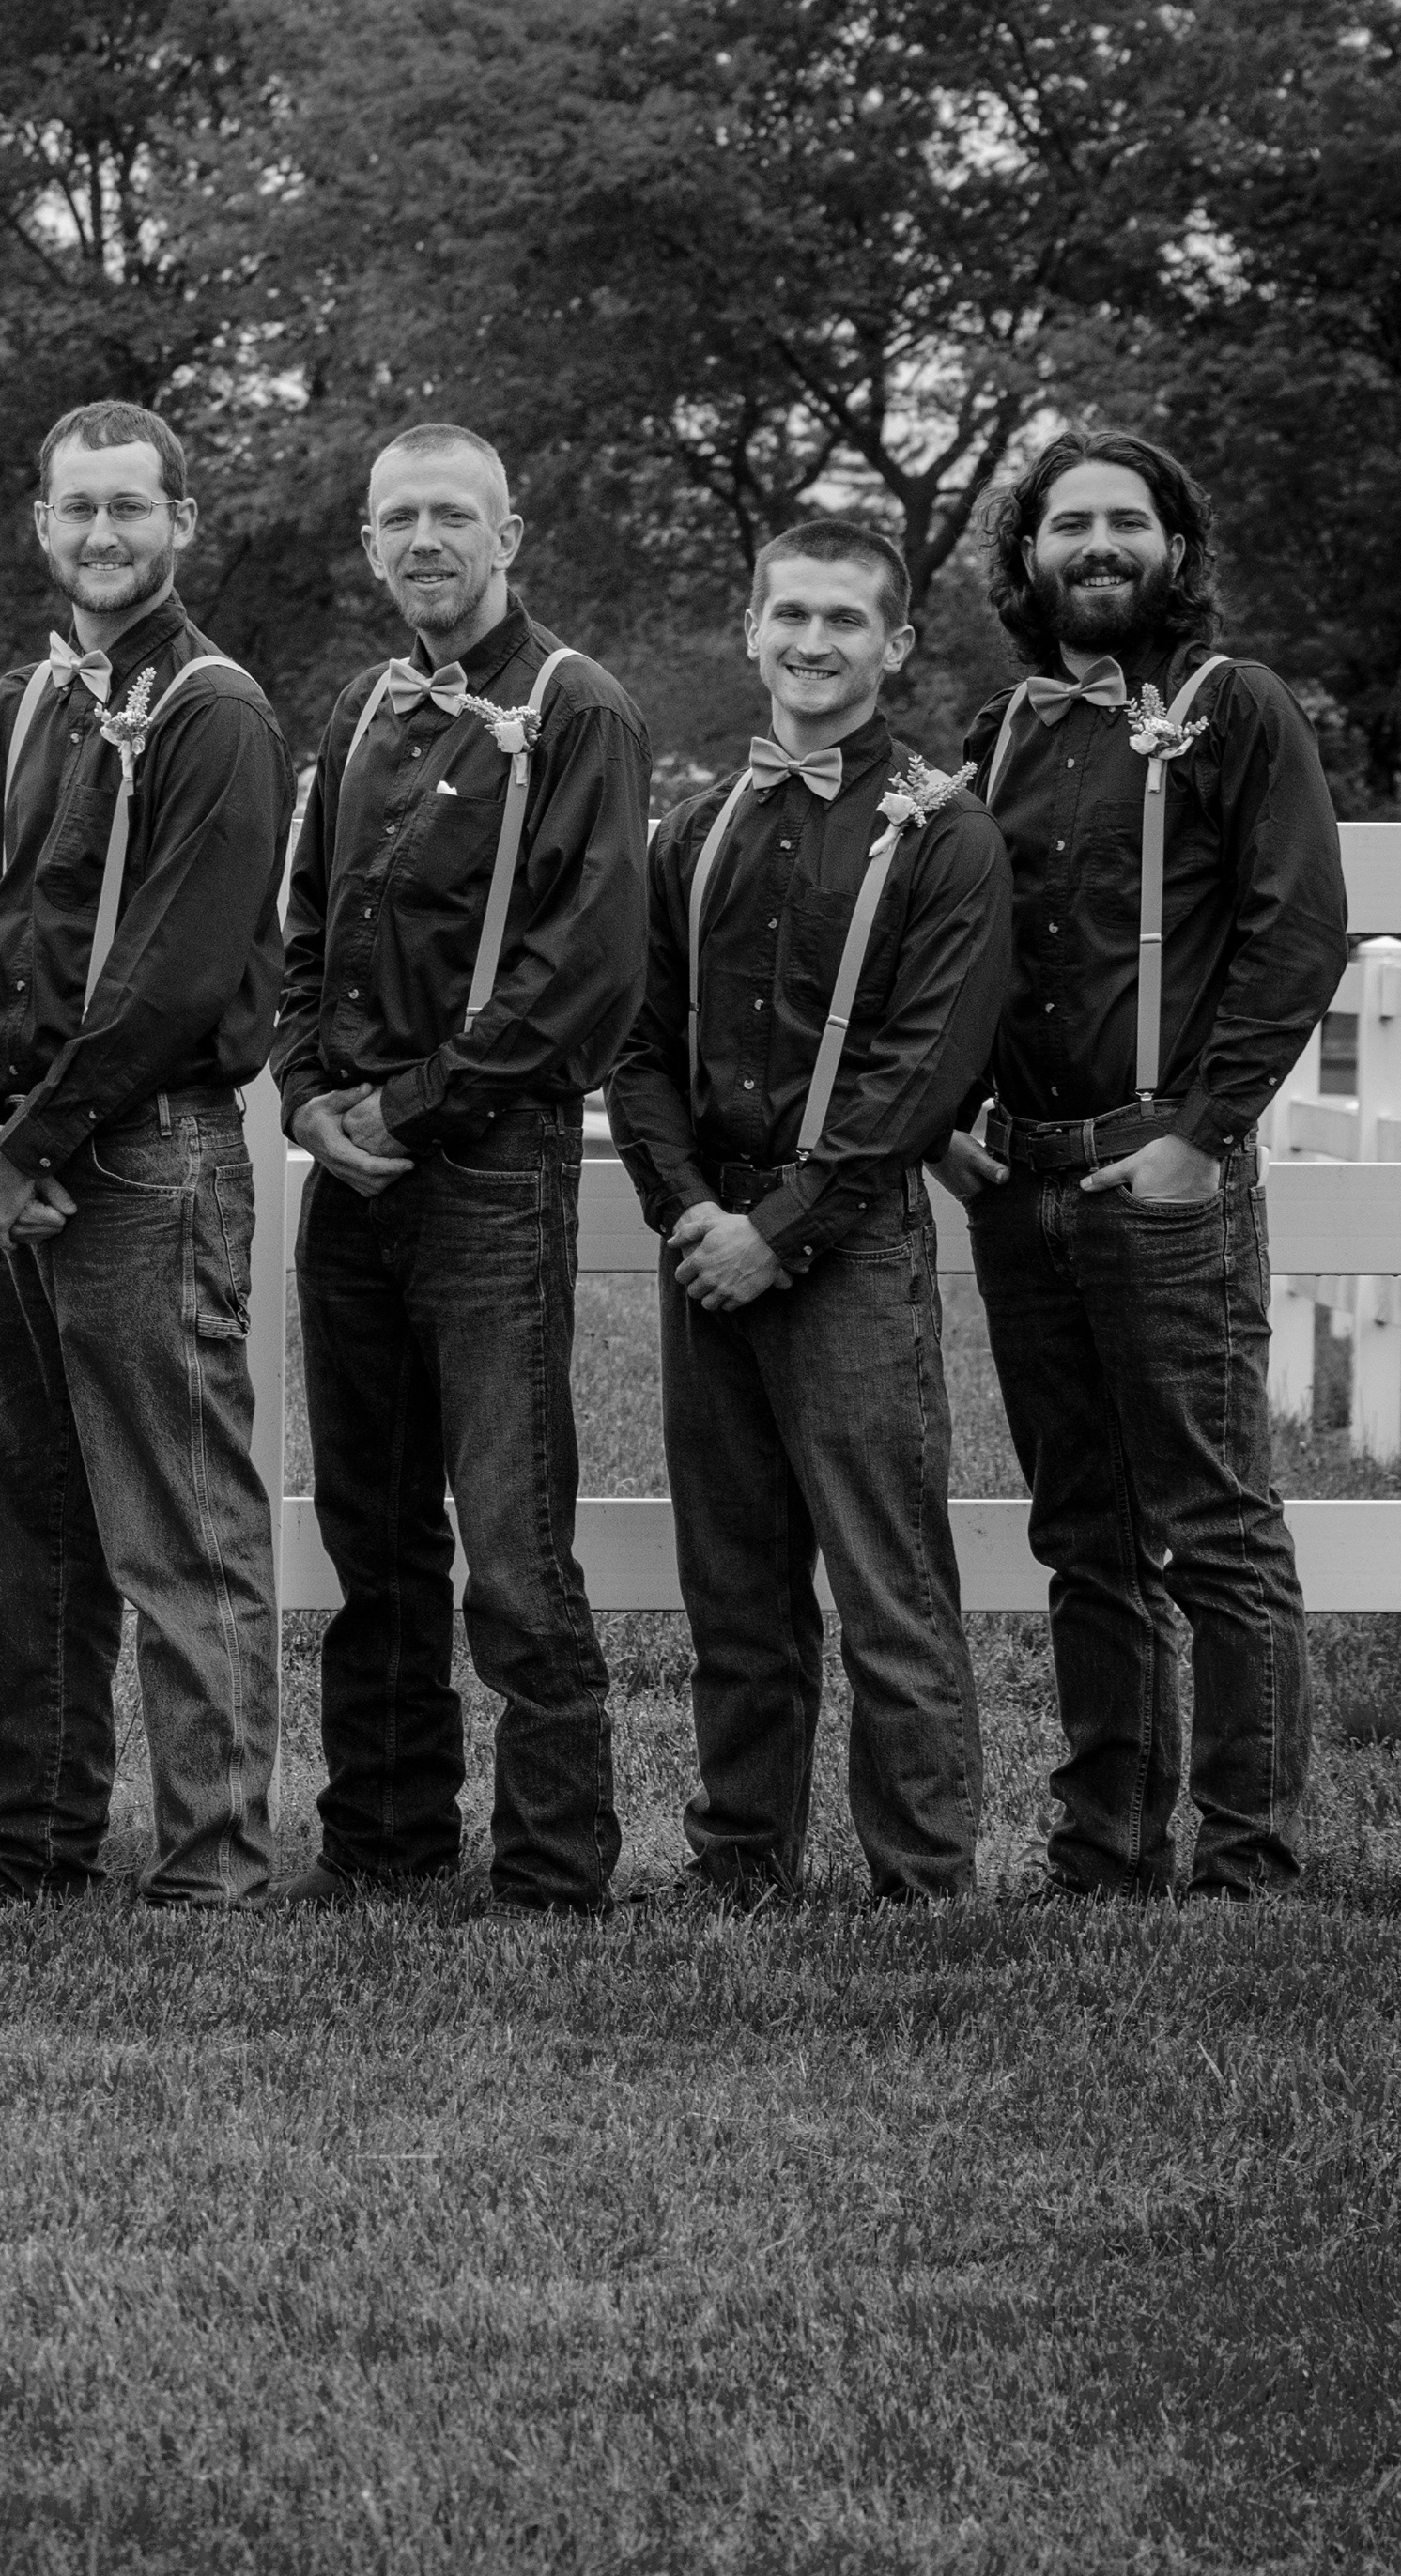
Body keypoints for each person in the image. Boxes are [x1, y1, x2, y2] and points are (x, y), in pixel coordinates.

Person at [938, 427, 1347, 1899]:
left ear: (1175, 548)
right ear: (1027, 553)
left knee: (1213, 1523)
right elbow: (954, 944)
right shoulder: (996, 731)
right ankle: (1104, 1846)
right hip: (1022, 1178)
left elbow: (1299, 931)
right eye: (1069, 524)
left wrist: (1201, 1137)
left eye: (1126, 521)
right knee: (1082, 1533)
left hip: (1165, 1171)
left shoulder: (1236, 706)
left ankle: (1246, 1857)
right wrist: (943, 1117)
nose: (1097, 545)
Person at [268, 422, 650, 1914]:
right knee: (369, 1532)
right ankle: (384, 1831)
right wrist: (306, 1095)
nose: (424, 540)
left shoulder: (578, 706)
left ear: (509, 534)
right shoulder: (360, 705)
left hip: (487, 1168)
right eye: (398, 519)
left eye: (451, 514)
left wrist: (408, 1109)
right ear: (369, 542)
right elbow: (305, 924)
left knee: (511, 1536)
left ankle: (554, 1861)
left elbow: (584, 969)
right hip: (348, 1179)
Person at [605, 522, 1007, 1905]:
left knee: (890, 1579)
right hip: (705, 1244)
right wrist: (691, 1212)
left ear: (896, 644)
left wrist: (776, 1227)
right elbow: (638, 1044)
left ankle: (923, 1877)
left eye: (845, 618)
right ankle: (740, 1859)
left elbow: (925, 1067)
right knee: (734, 1581)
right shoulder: (694, 827)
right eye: (791, 614)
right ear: (752, 630)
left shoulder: (948, 831)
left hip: (850, 1244)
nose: (813, 641)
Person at [0, 399, 291, 1909]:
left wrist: (34, 1140)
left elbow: (178, 973)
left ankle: (214, 1861)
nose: (101, 533)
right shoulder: (14, 706)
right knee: (31, 1526)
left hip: (148, 1158)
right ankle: (30, 1839)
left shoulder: (218, 709)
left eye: (129, 506)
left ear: (180, 522)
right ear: (41, 523)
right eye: (76, 507)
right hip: (22, 1166)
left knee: (182, 1528)